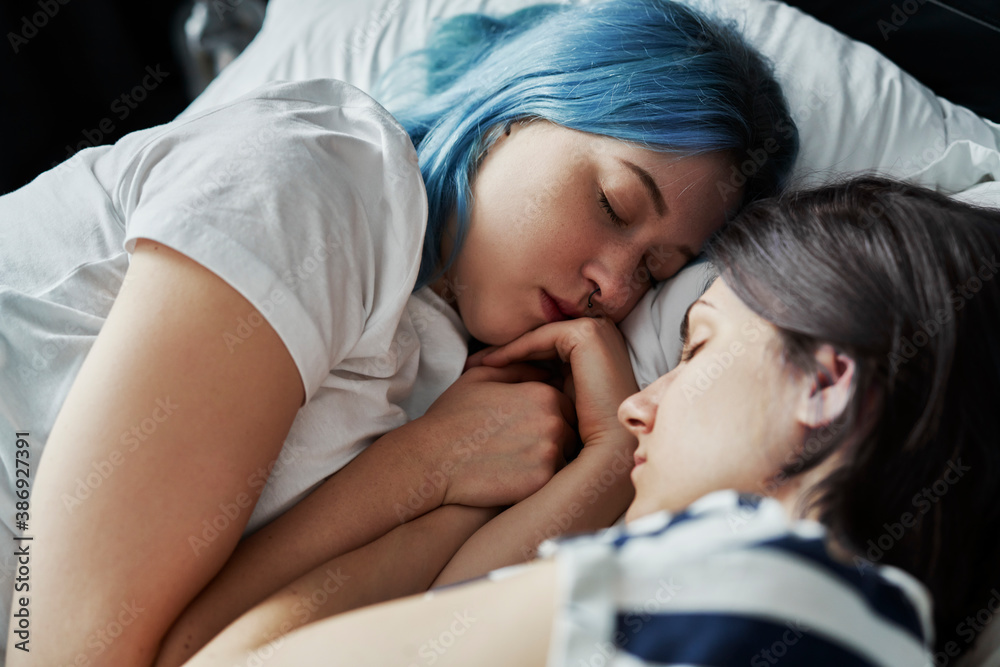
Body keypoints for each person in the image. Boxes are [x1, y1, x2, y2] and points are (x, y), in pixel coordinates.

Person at [1, 0, 798, 664]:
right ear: (514, 116)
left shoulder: (478, 396)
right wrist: (425, 463)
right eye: (614, 205)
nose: (615, 286)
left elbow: (220, 654)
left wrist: (607, 459)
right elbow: (71, 650)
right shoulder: (317, 179)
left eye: (656, 271)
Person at [176, 175, 1000, 667]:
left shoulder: (759, 581)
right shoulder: (859, 631)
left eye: (699, 346)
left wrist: (437, 468)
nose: (642, 402)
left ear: (823, 382)